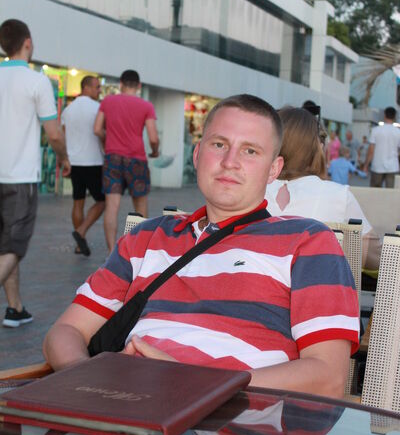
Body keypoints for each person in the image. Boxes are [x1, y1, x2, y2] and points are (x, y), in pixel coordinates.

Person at [43, 94, 359, 398]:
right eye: (219, 145)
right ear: (197, 155)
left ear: (274, 169)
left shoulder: (307, 242)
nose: (230, 162)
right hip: (123, 405)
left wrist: (192, 385)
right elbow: (66, 331)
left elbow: (328, 377)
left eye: (250, 151)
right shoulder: (147, 237)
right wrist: (88, 383)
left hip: (231, 418)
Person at [0, 19, 70, 328]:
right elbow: (53, 134)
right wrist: (64, 158)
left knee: (5, 246)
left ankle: (15, 308)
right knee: (15, 247)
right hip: (19, 178)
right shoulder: (36, 81)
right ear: (27, 42)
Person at [266, 107, 380, 270]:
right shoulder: (338, 195)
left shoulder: (249, 192)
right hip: (314, 283)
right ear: (318, 148)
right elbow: (373, 257)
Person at [94, 70, 160, 253]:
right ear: (139, 86)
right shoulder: (146, 106)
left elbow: (97, 129)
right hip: (136, 159)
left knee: (112, 206)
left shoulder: (108, 101)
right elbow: (153, 138)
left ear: (121, 84)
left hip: (112, 158)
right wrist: (155, 151)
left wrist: (107, 140)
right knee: (140, 206)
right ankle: (138, 251)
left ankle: (111, 252)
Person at [61, 75, 105, 256]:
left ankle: (80, 244)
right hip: (93, 161)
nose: (99, 90)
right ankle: (81, 231)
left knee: (78, 202)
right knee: (102, 201)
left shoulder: (68, 110)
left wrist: (64, 160)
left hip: (74, 162)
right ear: (86, 87)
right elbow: (102, 133)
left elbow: (63, 136)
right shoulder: (98, 108)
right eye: (96, 87)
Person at [364, 107, 400, 188]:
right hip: (393, 167)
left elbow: (371, 150)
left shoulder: (376, 130)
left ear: (384, 115)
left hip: (377, 166)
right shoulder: (398, 132)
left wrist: (366, 165)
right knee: (391, 192)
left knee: (375, 192)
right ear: (395, 116)